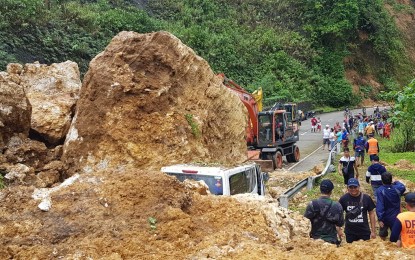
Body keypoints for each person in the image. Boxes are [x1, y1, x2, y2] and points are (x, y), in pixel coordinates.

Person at [304, 179, 344, 245]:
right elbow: (340, 223)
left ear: (320, 190)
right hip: (331, 241)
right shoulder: (337, 206)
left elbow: (305, 221)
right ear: (331, 191)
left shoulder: (312, 204)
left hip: (315, 241)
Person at [339, 178, 377, 243]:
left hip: (364, 231)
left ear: (359, 186)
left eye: (355, 187)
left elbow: (371, 214)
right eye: (351, 187)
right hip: (350, 232)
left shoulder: (366, 198)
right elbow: (339, 214)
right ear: (347, 187)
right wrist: (339, 229)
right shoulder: (343, 199)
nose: (353, 189)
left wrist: (373, 231)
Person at [375, 172, 406, 240]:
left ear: (382, 181)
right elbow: (403, 186)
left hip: (385, 217)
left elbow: (380, 205)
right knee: (397, 235)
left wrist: (380, 219)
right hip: (396, 216)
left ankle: (383, 246)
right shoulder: (397, 189)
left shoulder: (380, 190)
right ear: (391, 180)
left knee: (383, 234)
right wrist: (396, 182)